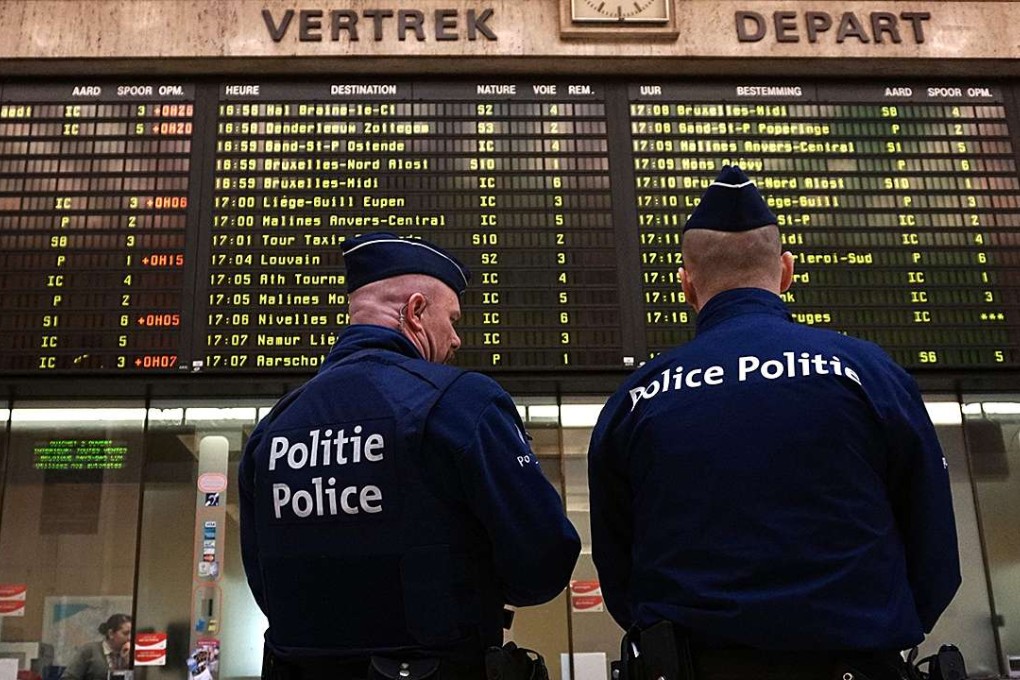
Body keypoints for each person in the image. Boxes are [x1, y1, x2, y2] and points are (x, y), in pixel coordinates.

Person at [587, 166, 960, 680]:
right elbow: (935, 552)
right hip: (853, 663)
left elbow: (620, 574)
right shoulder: (869, 373)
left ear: (685, 283)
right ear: (786, 271)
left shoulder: (636, 399)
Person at [240, 232, 580, 680]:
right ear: (415, 311)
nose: (457, 339)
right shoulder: (461, 402)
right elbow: (543, 559)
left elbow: (265, 582)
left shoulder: (274, 429)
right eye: (453, 320)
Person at [62, 614, 131, 680]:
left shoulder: (129, 654)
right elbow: (68, 677)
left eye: (132, 633)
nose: (129, 638)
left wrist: (128, 663)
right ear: (111, 634)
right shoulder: (89, 650)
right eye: (125, 633)